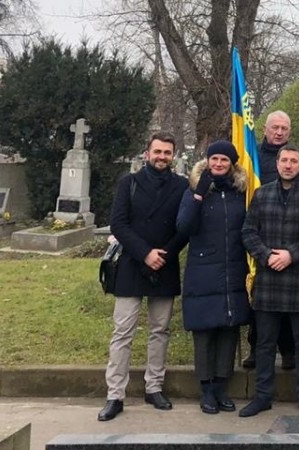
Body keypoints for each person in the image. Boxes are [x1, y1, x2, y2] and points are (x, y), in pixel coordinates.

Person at [100, 132, 190, 421]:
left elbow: (184, 226)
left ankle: (154, 387)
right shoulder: (130, 183)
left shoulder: (181, 186)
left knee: (160, 330)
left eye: (167, 152)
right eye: (158, 152)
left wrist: (163, 254)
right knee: (122, 332)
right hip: (132, 263)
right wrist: (145, 253)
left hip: (165, 264)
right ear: (147, 153)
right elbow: (119, 223)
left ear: (173, 155)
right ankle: (115, 394)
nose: (162, 157)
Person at [238, 145, 299, 417]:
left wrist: (292, 254)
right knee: (265, 344)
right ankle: (262, 397)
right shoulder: (262, 193)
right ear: (277, 164)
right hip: (269, 281)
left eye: (294, 161)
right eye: (284, 160)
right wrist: (266, 256)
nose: (288, 165)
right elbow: (248, 232)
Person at [175, 141, 252, 415]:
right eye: (214, 159)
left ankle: (221, 386)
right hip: (203, 270)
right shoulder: (196, 190)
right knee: (205, 331)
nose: (218, 164)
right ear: (207, 161)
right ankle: (206, 389)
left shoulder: (239, 192)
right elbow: (184, 226)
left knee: (228, 330)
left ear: (232, 164)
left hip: (233, 269)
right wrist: (198, 194)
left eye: (224, 160)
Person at [243, 110, 299, 371]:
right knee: (260, 297)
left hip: (290, 234)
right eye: (275, 128)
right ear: (265, 129)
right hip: (261, 231)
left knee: (290, 304)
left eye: (284, 128)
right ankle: (256, 348)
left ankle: (288, 350)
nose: (279, 132)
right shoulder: (252, 155)